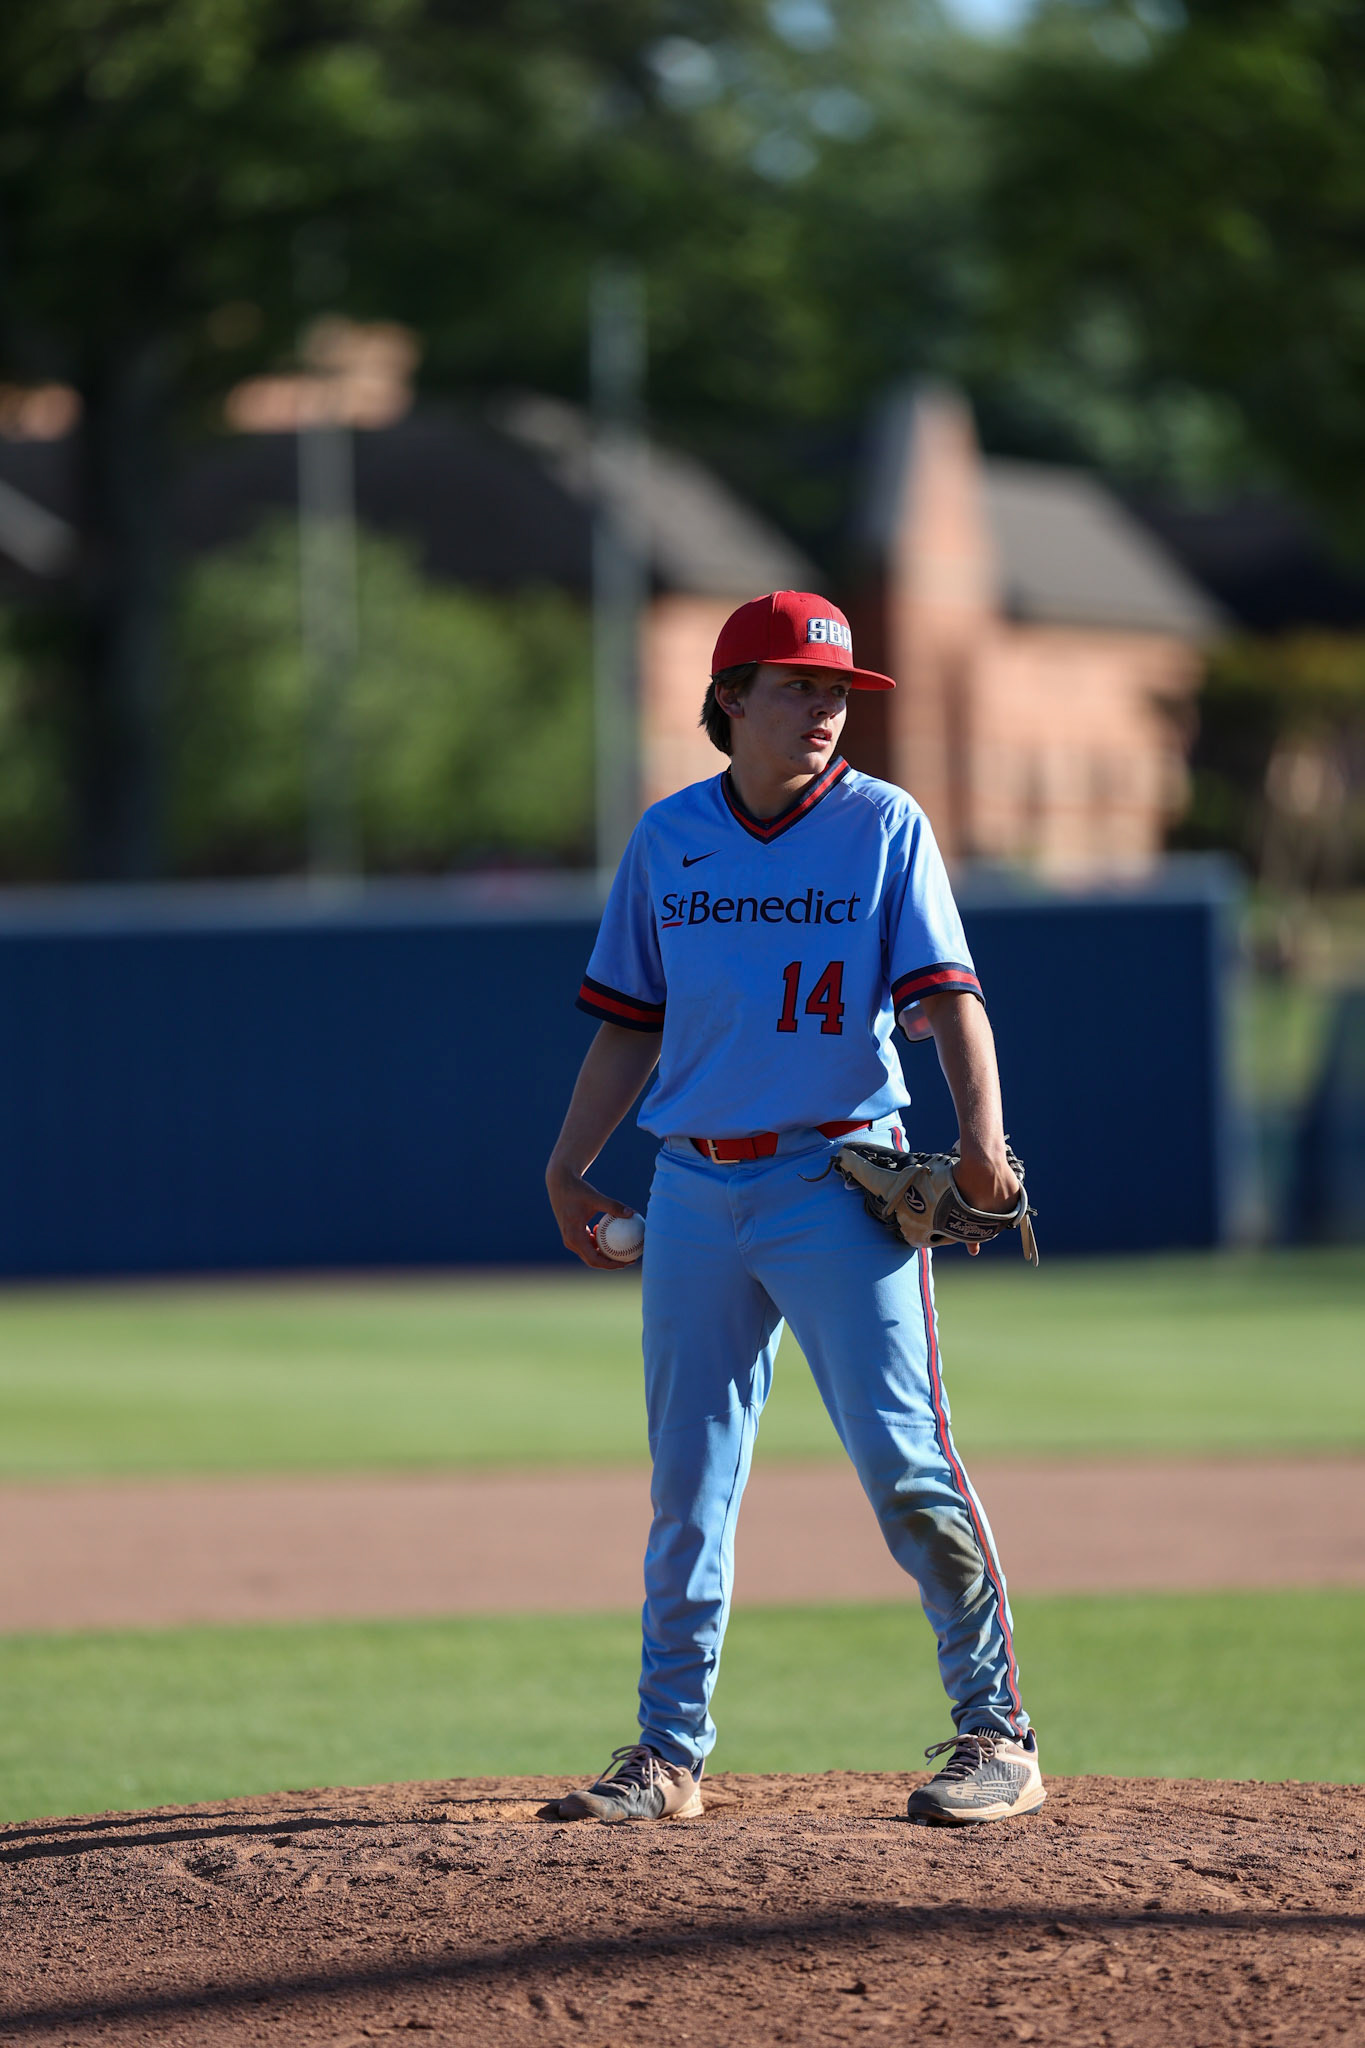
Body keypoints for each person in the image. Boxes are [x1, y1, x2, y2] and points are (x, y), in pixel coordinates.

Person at [544, 589, 1043, 1827]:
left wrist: (982, 1137)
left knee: (906, 1464)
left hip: (840, 1185)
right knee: (689, 1485)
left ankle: (999, 1732)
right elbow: (628, 1024)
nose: (824, 709)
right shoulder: (670, 839)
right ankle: (667, 1754)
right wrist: (568, 1163)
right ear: (729, 702)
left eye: (836, 691)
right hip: (696, 1187)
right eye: (797, 687)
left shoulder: (884, 824)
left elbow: (953, 996)